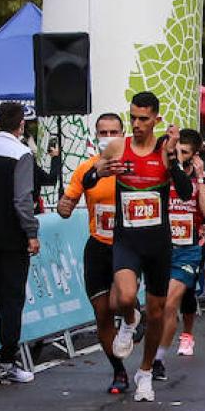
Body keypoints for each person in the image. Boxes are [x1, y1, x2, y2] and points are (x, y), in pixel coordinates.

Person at [95, 92, 192, 403]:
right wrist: (102, 171)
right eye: (133, 117)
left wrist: (173, 159)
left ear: (156, 120)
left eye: (143, 119)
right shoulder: (117, 146)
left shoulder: (165, 148)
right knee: (124, 297)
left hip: (158, 244)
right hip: (126, 239)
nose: (136, 124)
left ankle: (146, 373)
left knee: (156, 312)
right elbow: (90, 175)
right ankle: (128, 321)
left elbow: (187, 192)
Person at [57, 113, 128, 393]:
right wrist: (66, 203)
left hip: (127, 246)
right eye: (103, 132)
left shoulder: (131, 168)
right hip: (98, 245)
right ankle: (118, 371)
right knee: (102, 314)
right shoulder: (87, 170)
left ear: (123, 135)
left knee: (119, 301)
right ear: (94, 136)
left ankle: (134, 317)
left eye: (114, 132)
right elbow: (66, 207)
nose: (108, 138)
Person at [0, 102, 42, 383]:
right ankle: (7, 359)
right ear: (21, 124)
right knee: (13, 297)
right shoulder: (22, 153)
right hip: (13, 235)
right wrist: (31, 232)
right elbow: (22, 199)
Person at [164, 130, 205, 361]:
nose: (180, 155)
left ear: (195, 154)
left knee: (181, 296)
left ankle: (186, 334)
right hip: (163, 244)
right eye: (177, 151)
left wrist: (202, 177)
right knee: (163, 299)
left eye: (185, 152)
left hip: (189, 246)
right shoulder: (166, 172)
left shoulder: (200, 177)